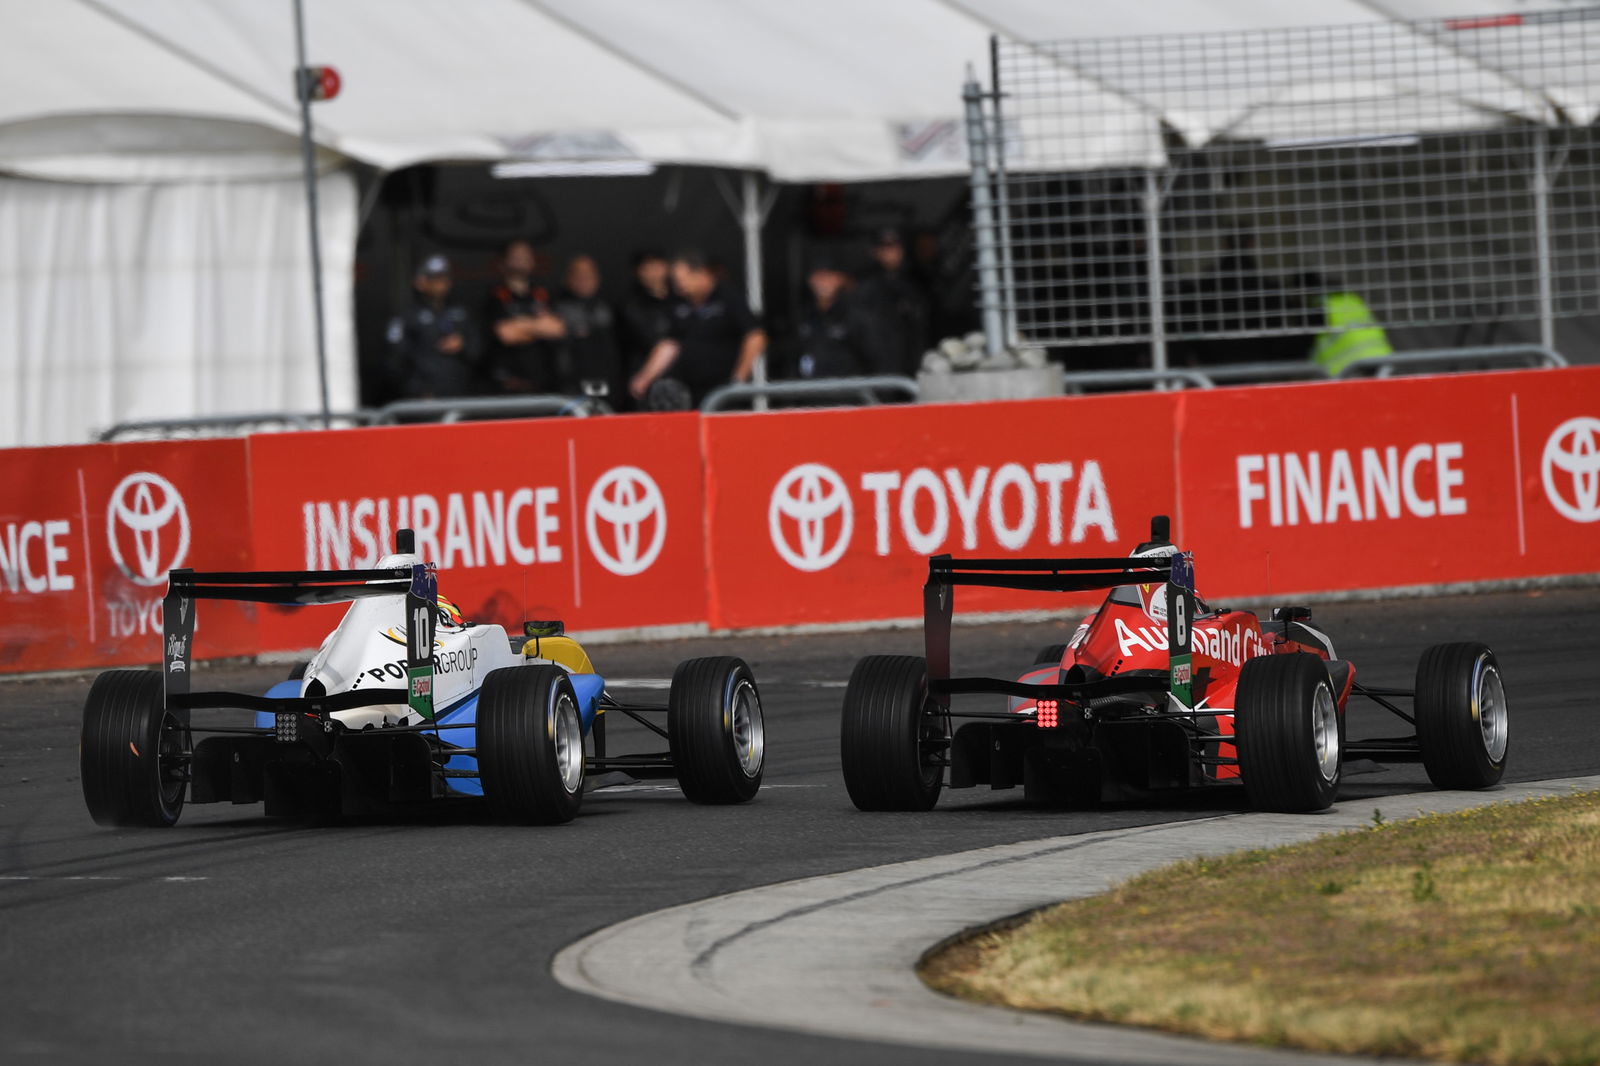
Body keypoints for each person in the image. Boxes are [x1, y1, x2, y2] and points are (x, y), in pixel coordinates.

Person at [629, 249, 765, 408]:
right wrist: (645, 377)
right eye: (676, 281)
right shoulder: (678, 303)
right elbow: (670, 344)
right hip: (688, 391)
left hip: (724, 391)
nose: (679, 286)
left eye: (682, 280)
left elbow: (755, 336)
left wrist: (739, 379)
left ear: (701, 273)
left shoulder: (728, 297)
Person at [384, 254, 482, 399]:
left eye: (444, 278)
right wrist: (416, 391)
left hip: (460, 397)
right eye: (435, 279)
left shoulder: (461, 312)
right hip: (424, 400)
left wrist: (462, 345)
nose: (441, 283)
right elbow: (395, 361)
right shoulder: (407, 316)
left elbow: (478, 349)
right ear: (420, 282)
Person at [483, 237, 567, 393]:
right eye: (516, 256)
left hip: (542, 381)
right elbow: (507, 334)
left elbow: (557, 329)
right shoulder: (495, 295)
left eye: (526, 256)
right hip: (509, 384)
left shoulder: (542, 292)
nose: (522, 260)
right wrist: (538, 325)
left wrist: (520, 324)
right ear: (504, 261)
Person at [778, 255, 871, 380]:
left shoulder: (856, 315)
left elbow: (875, 359)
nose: (824, 283)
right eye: (819, 277)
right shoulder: (801, 317)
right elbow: (791, 359)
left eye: (829, 277)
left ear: (840, 279)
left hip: (849, 394)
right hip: (808, 393)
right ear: (810, 280)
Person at [552, 254, 625, 407]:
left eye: (588, 275)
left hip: (607, 383)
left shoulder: (608, 307)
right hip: (572, 386)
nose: (584, 281)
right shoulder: (557, 308)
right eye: (578, 276)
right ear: (568, 279)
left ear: (597, 278)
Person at [855, 227, 929, 376]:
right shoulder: (865, 285)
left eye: (894, 248)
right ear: (876, 252)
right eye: (884, 248)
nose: (890, 253)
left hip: (911, 366)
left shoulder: (918, 281)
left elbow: (923, 326)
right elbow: (860, 331)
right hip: (877, 368)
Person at [618, 249, 675, 387]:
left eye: (657, 267)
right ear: (638, 273)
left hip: (680, 373)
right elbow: (650, 340)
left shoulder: (680, 299)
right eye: (646, 269)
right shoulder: (631, 305)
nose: (653, 273)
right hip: (645, 376)